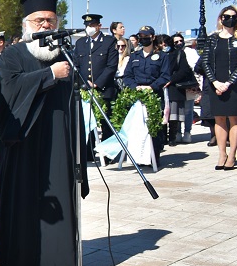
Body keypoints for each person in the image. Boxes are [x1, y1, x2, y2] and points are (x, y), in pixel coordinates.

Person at [0, 0, 89, 266]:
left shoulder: (65, 56)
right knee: (26, 203)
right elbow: (8, 92)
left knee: (62, 193)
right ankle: (24, 265)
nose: (46, 25)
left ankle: (58, 264)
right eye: (39, 21)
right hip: (24, 143)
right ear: (27, 25)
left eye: (51, 20)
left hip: (59, 141)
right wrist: (49, 75)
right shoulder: (13, 55)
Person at [198, 5, 237, 170]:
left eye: (233, 16)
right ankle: (222, 154)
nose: (230, 19)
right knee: (219, 119)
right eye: (226, 16)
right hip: (215, 84)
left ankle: (232, 154)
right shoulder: (212, 39)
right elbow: (205, 62)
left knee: (234, 118)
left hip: (235, 85)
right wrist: (215, 82)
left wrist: (229, 83)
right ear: (221, 18)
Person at [123, 26, 172, 163]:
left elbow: (165, 76)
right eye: (141, 37)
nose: (143, 39)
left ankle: (154, 157)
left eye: (146, 36)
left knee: (154, 127)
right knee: (137, 127)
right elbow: (127, 76)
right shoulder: (135, 56)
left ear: (152, 37)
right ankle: (139, 156)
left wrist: (151, 87)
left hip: (154, 95)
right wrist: (135, 87)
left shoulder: (162, 56)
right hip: (137, 95)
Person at [73, 13, 118, 147]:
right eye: (87, 25)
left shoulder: (109, 41)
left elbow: (111, 66)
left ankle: (107, 152)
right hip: (85, 90)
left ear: (99, 26)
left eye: (92, 25)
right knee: (88, 123)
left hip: (104, 89)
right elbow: (76, 65)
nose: (89, 27)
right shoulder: (81, 43)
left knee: (106, 123)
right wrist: (84, 82)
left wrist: (97, 83)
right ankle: (89, 151)